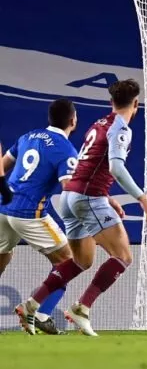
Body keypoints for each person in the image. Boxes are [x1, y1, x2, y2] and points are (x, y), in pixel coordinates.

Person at [16, 79, 147, 336]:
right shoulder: (121, 129)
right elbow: (116, 167)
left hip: (69, 198)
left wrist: (107, 197)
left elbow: (88, 166)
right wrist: (143, 199)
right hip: (87, 198)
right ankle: (82, 308)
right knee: (123, 256)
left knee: (82, 261)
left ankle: (31, 304)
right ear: (136, 104)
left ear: (110, 103)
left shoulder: (98, 124)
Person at [2, 99, 87, 335]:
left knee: (2, 259)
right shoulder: (65, 150)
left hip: (3, 208)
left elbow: (3, 166)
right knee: (69, 262)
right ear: (73, 120)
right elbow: (69, 190)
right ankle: (41, 313)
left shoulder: (28, 136)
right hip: (30, 213)